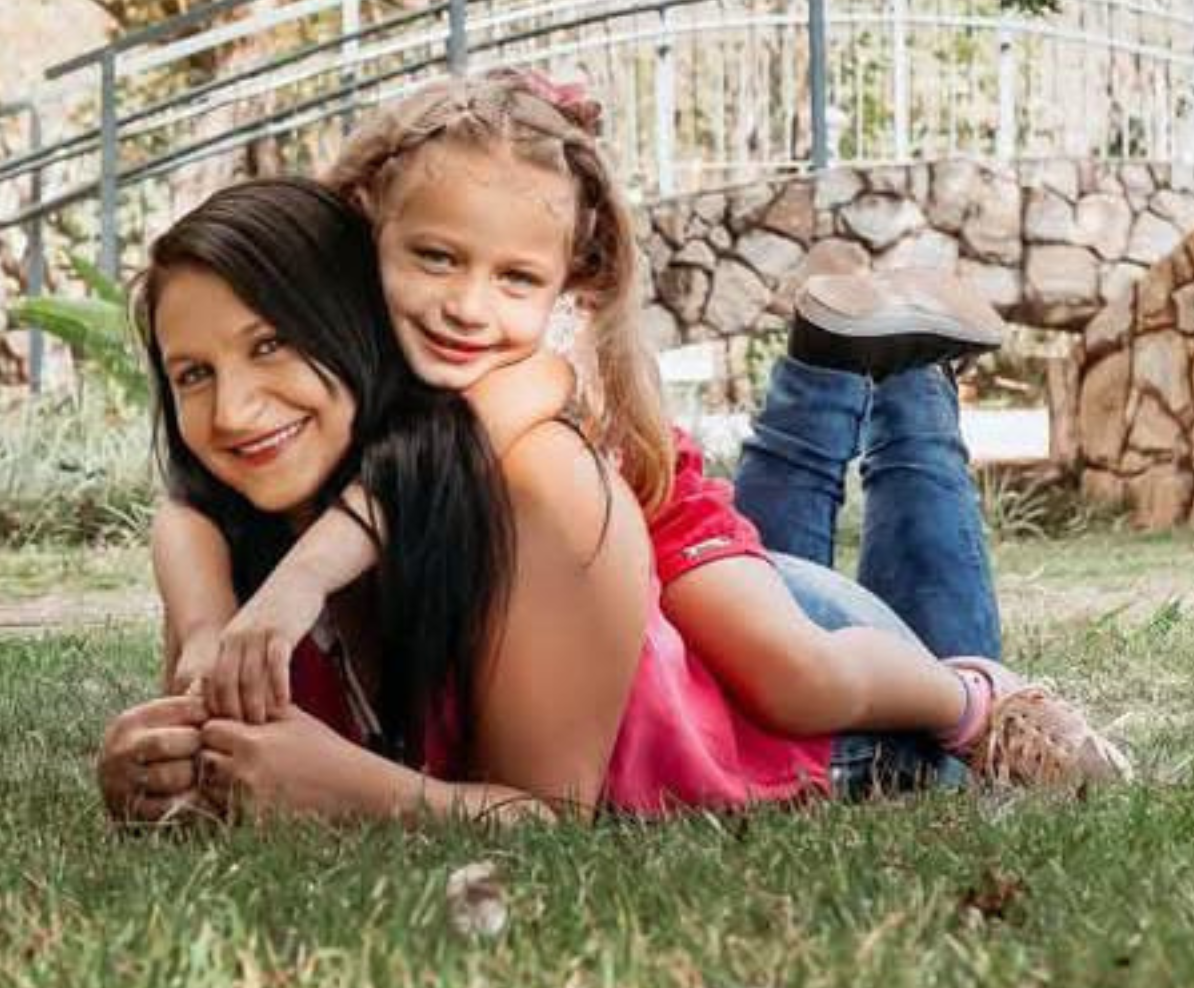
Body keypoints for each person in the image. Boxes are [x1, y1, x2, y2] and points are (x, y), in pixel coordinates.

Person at [156, 70, 1127, 795]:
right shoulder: (352, 367)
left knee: (792, 672)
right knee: (754, 636)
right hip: (630, 604)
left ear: (566, 280)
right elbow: (189, 512)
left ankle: (972, 697)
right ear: (368, 231)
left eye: (513, 278)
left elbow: (430, 472)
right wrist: (204, 629)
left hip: (662, 522)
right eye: (435, 259)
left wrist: (303, 576)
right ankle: (836, 365)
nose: (465, 305)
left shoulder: (519, 386)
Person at [101, 178, 831, 821]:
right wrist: (159, 770)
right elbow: (184, 533)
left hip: (802, 725)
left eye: (269, 345)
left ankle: (844, 376)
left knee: (836, 649)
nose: (231, 412)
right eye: (193, 374)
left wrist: (350, 790)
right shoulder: (227, 531)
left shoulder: (535, 481)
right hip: (658, 607)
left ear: (355, 323)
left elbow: (549, 817)